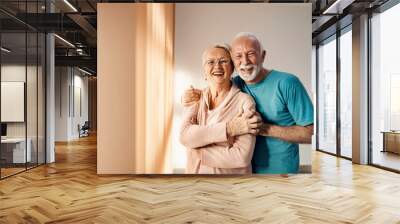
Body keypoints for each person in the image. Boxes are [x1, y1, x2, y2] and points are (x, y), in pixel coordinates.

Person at [182, 33, 314, 174]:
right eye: (238, 56)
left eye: (251, 54)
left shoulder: (287, 83)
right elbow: (218, 87)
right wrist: (191, 96)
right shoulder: (238, 83)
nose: (245, 62)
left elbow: (311, 134)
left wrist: (262, 128)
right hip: (245, 172)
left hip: (279, 172)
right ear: (233, 61)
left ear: (262, 56)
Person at [179, 44, 259, 174]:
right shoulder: (196, 98)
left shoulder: (245, 102)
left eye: (223, 61)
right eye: (210, 62)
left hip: (232, 187)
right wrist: (229, 129)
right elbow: (184, 136)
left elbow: (241, 157)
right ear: (204, 69)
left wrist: (196, 150)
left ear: (232, 68)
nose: (217, 66)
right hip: (196, 184)